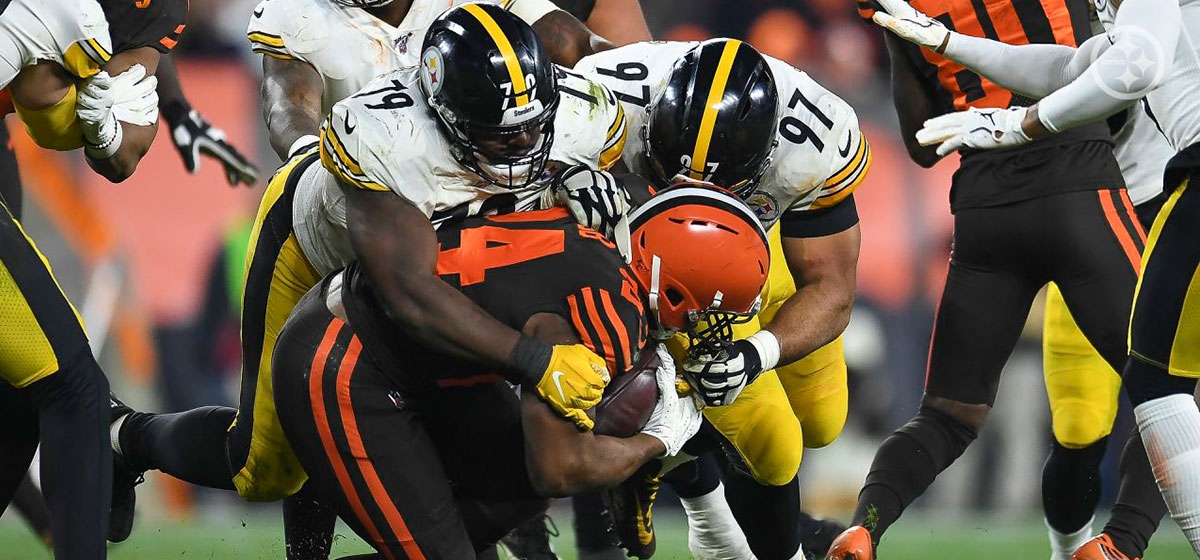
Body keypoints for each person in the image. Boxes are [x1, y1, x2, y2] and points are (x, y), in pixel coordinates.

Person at [110, 4, 629, 556]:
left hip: (441, 244)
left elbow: (581, 49)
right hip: (325, 243)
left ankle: (496, 528)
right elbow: (290, 101)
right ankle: (126, 438)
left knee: (482, 414)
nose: (523, 149)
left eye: (533, 131)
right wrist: (534, 362)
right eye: (503, 137)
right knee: (265, 466)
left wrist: (579, 166)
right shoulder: (385, 142)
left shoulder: (578, 110)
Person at [826, 0, 1178, 558]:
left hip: (985, 202)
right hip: (1081, 182)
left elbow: (921, 141)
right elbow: (1122, 67)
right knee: (1173, 388)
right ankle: (1120, 546)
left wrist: (909, 40)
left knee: (946, 414)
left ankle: (864, 526)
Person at [273, 183, 768, 558]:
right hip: (348, 358)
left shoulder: (599, 246)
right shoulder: (611, 311)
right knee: (251, 465)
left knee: (512, 491)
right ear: (675, 285)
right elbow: (558, 468)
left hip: (407, 352)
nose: (710, 328)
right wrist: (657, 442)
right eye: (711, 311)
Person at [576, 38, 867, 560]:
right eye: (672, 171)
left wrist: (758, 353)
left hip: (764, 258)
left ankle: (671, 453)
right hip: (664, 267)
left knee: (823, 423)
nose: (694, 192)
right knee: (775, 447)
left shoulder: (816, 139)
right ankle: (694, 479)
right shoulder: (607, 97)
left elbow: (832, 288)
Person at [0, 0, 186, 556]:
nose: (83, 82)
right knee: (75, 389)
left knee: (22, 395)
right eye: (68, 71)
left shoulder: (140, 12)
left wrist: (105, 133)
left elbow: (124, 153)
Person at [247, 0, 614, 163]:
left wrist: (637, 66)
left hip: (483, 175)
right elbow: (288, 105)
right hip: (374, 186)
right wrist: (307, 156)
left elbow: (576, 44)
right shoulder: (296, 12)